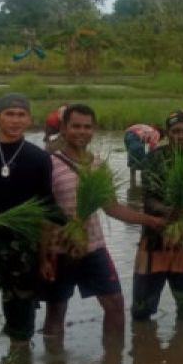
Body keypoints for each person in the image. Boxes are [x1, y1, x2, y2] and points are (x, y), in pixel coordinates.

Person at [41, 104, 164, 337]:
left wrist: (149, 220)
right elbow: (42, 215)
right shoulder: (48, 164)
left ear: (93, 130)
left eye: (87, 127)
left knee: (116, 305)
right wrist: (43, 257)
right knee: (56, 311)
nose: (81, 131)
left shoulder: (98, 165)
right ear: (64, 129)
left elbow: (112, 207)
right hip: (60, 250)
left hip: (93, 248)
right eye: (75, 126)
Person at [0, 92, 61, 342]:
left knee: (21, 314)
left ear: (29, 119)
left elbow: (45, 206)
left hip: (24, 246)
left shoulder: (39, 159)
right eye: (9, 114)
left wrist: (45, 256)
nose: (15, 120)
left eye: (21, 115)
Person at [132, 110, 183, 321]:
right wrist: (169, 211)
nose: (181, 136)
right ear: (168, 133)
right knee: (141, 309)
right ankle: (144, 347)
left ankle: (182, 349)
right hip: (154, 238)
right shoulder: (154, 158)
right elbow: (147, 199)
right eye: (176, 131)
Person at [124, 121, 162, 186]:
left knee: (133, 160)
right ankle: (143, 181)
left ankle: (132, 182)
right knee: (143, 162)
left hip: (127, 135)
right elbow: (152, 146)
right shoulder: (157, 133)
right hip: (135, 136)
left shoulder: (149, 130)